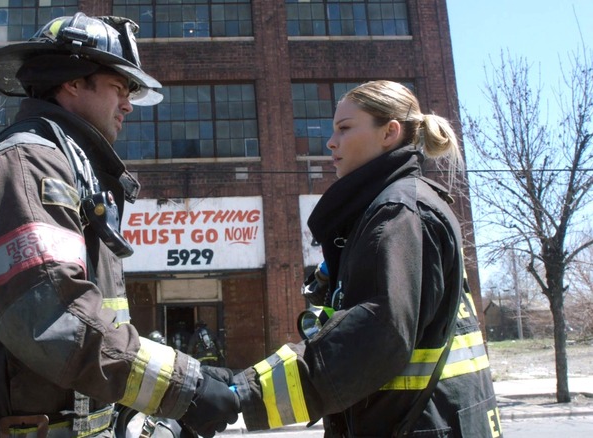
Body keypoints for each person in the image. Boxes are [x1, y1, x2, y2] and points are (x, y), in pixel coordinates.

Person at [0, 13, 237, 438]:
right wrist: (183, 387)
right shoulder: (27, 165)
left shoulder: (67, 167)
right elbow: (53, 316)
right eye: (118, 87)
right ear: (72, 82)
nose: (128, 105)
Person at [214, 81, 501, 437]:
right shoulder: (396, 207)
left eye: (345, 128)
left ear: (389, 133)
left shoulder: (398, 213)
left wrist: (244, 394)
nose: (331, 142)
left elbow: (374, 334)